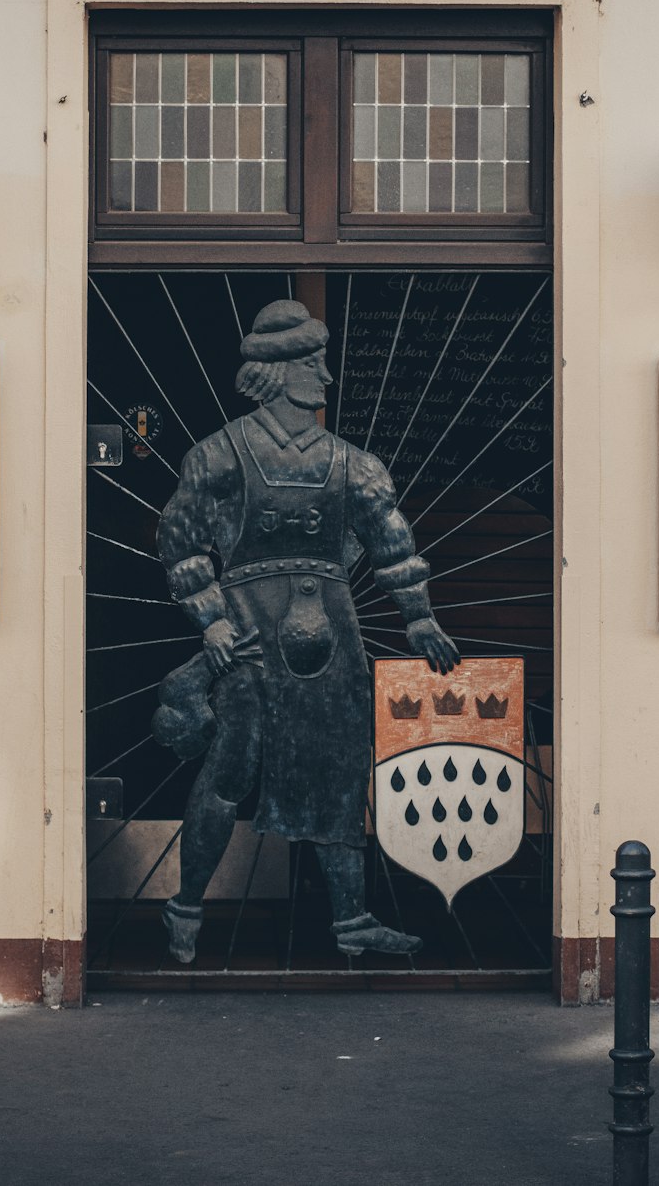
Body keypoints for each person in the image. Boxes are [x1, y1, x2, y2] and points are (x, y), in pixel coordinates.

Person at [155, 299, 460, 963]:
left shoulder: (352, 463)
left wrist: (419, 613)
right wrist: (208, 616)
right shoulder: (220, 456)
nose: (325, 377)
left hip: (334, 638)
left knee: (337, 770)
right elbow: (179, 540)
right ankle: (184, 907)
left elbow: (390, 538)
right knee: (232, 767)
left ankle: (350, 923)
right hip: (250, 635)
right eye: (313, 365)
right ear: (278, 371)